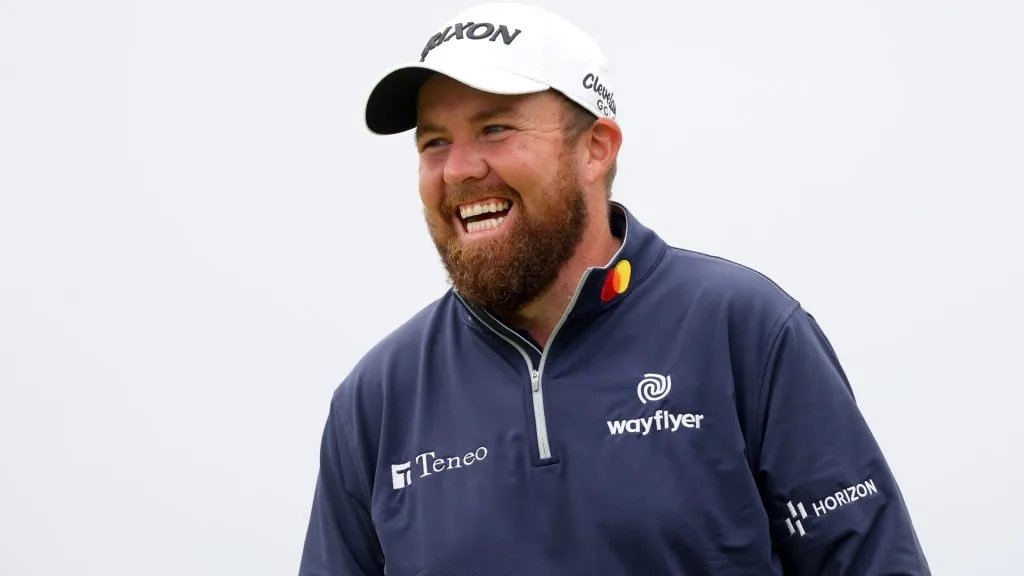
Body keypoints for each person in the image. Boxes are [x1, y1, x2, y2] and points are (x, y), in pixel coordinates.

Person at [299, 3, 931, 574]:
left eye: (495, 129)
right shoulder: (376, 400)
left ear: (596, 149)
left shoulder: (745, 330)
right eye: (435, 142)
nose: (460, 169)